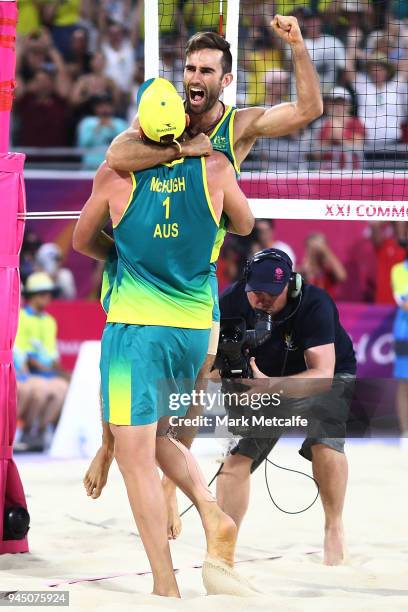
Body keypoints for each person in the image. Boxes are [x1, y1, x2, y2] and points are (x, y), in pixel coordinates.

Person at [87, 15, 323, 536]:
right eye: (189, 66)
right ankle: (111, 448)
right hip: (141, 279)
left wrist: (298, 47)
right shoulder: (162, 119)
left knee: (187, 402)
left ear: (224, 80)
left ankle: (170, 487)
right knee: (122, 394)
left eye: (206, 69)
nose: (194, 76)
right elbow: (117, 153)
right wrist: (180, 149)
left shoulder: (235, 128)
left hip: (196, 285)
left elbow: (309, 110)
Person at [73, 77, 255, 598]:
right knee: (160, 439)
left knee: (136, 460)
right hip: (195, 329)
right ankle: (211, 509)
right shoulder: (214, 167)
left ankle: (165, 584)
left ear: (142, 126)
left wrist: (124, 252)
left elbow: (84, 240)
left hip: (137, 328)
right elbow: (243, 222)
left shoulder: (115, 175)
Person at [216, 248, 356, 566]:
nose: (264, 299)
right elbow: (211, 365)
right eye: (257, 293)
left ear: (290, 286)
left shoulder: (315, 303)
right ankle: (224, 546)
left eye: (273, 293)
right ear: (245, 284)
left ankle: (333, 527)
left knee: (325, 442)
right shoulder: (231, 302)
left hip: (325, 375)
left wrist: (269, 387)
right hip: (263, 379)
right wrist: (235, 385)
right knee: (236, 460)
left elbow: (322, 375)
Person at [14, 272, 69, 451]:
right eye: (42, 293)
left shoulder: (49, 321)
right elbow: (23, 354)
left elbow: (51, 356)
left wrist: (65, 374)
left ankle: (40, 432)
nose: (47, 297)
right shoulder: (20, 316)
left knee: (63, 389)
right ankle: (20, 431)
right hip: (22, 371)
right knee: (37, 390)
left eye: (49, 293)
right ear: (30, 296)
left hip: (43, 373)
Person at [391, 241, 408, 448]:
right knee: (405, 384)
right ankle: (406, 432)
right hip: (405, 333)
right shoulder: (399, 270)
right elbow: (404, 301)